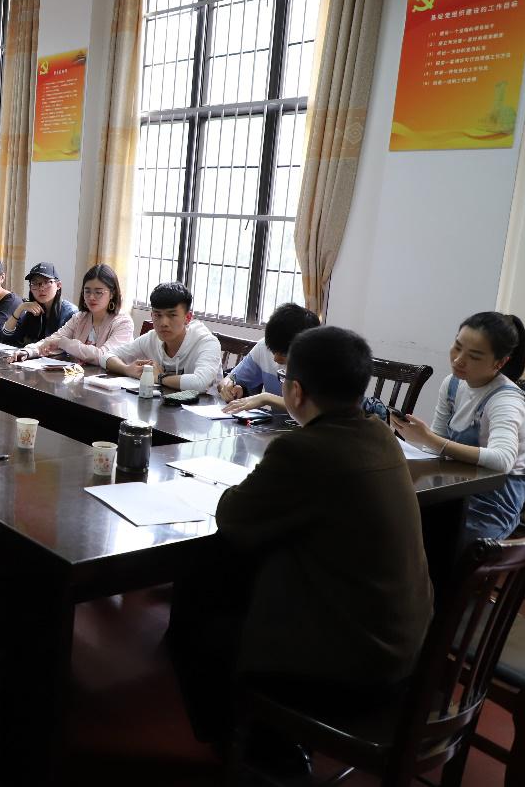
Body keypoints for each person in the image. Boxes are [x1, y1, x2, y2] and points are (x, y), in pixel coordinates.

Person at [167, 326, 433, 762]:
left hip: (350, 669)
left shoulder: (304, 450)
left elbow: (234, 517)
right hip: (407, 651)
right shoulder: (383, 436)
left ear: (294, 391)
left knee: (196, 610)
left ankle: (258, 749)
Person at [392, 312, 525, 547]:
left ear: (500, 363)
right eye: (457, 347)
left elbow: (503, 460)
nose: (459, 360)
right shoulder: (452, 384)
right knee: (390, 522)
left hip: (490, 507)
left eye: (474, 356)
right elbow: (436, 444)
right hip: (453, 491)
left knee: (418, 543)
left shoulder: (506, 400)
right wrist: (421, 440)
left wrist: (430, 439)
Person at [100, 281, 222, 392]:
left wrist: (159, 377)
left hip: (204, 407)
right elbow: (106, 356)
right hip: (162, 404)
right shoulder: (152, 338)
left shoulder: (207, 342)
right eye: (158, 315)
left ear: (187, 318)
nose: (164, 323)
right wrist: (126, 369)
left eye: (172, 315)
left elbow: (200, 383)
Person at [10, 264, 134, 364]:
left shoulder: (123, 322)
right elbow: (53, 339)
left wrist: (63, 343)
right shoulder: (80, 317)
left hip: (111, 383)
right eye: (87, 291)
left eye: (98, 292)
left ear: (112, 293)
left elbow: (104, 356)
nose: (91, 297)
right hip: (81, 379)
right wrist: (28, 351)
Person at [218, 303, 321, 412]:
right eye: (272, 351)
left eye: (284, 354)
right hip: (275, 421)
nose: (276, 359)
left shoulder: (320, 361)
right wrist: (228, 386)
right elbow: (231, 378)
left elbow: (311, 408)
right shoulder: (263, 346)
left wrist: (266, 398)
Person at [0, 262, 77, 347]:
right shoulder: (32, 310)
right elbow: (6, 337)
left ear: (58, 285)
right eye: (35, 283)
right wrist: (20, 309)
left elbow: (66, 347)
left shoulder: (70, 313)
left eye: (46, 282)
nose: (41, 288)